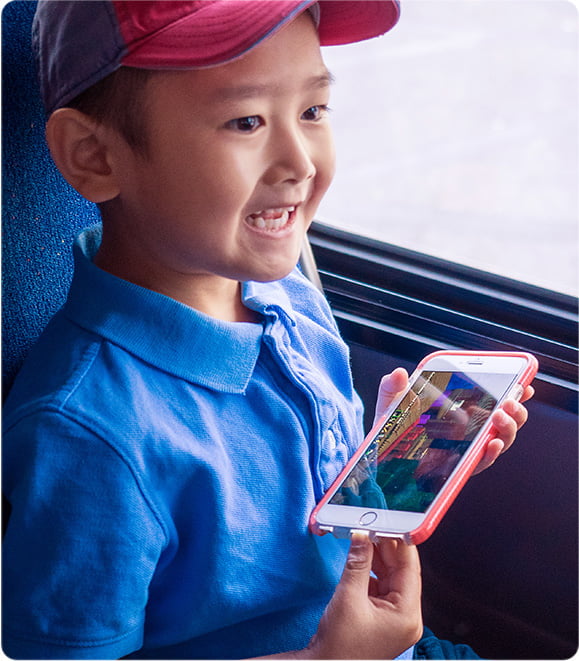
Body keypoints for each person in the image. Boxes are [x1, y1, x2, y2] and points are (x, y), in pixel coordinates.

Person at [2, 1, 532, 659]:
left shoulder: (283, 292)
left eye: (312, 111)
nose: (300, 160)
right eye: (246, 120)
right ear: (94, 156)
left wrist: (389, 465)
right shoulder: (88, 435)